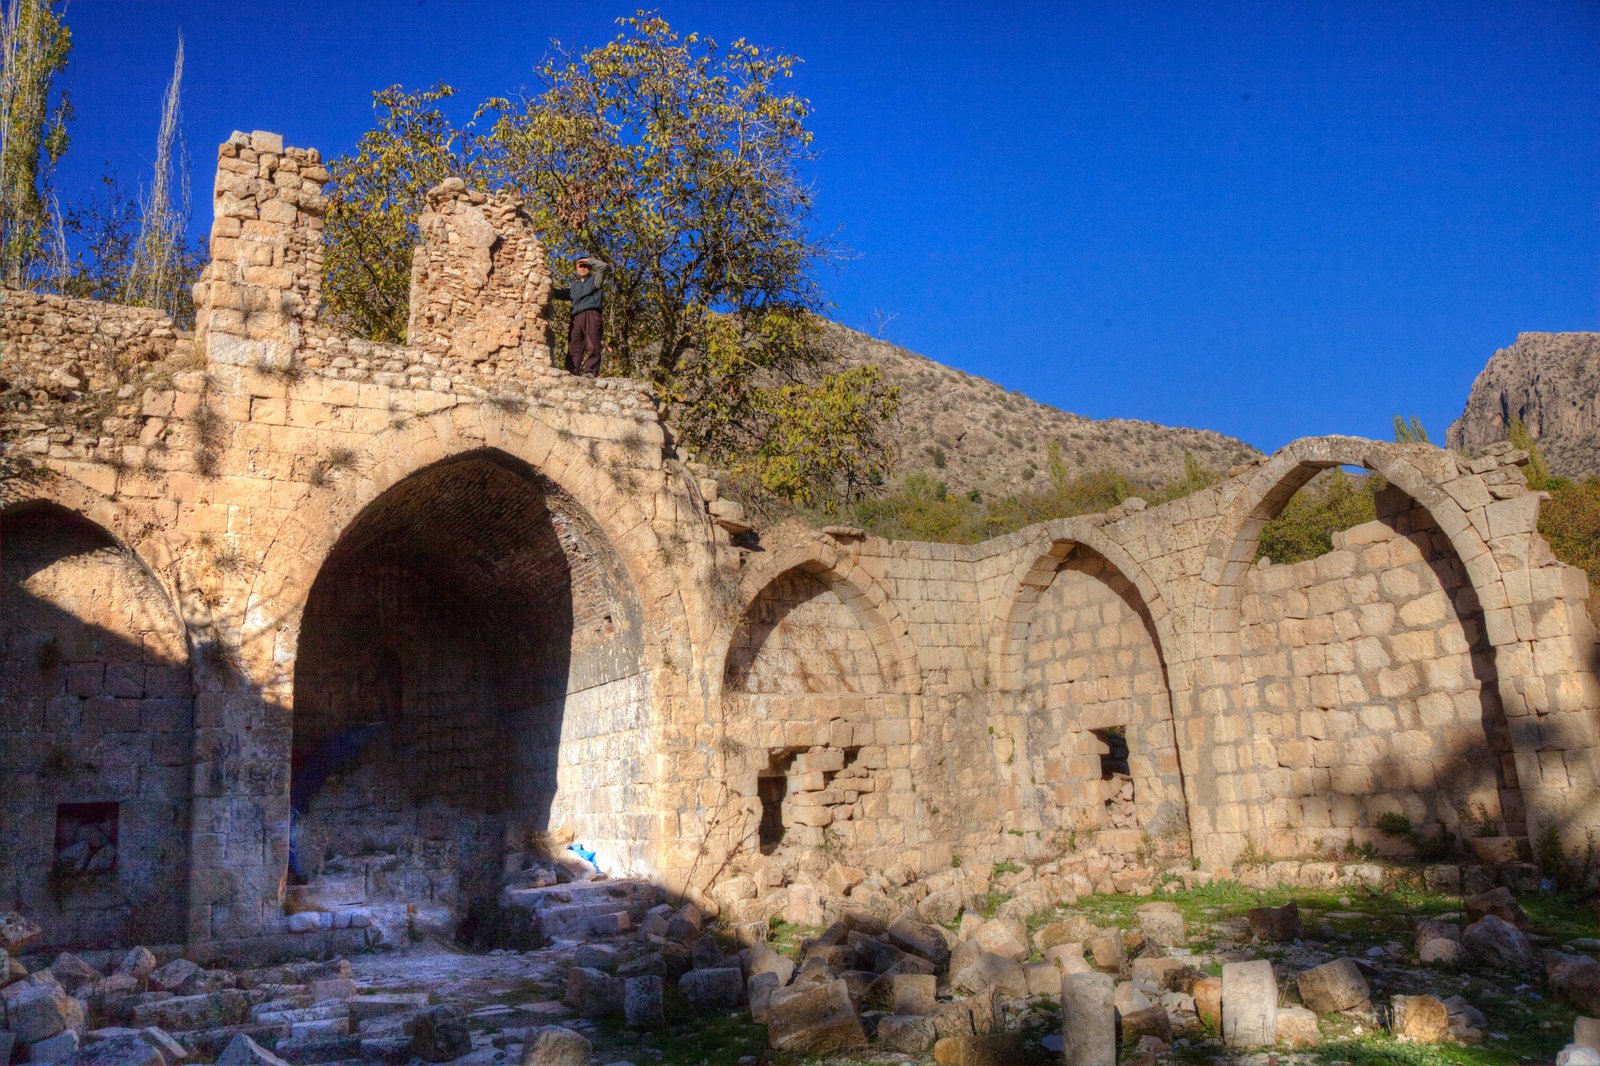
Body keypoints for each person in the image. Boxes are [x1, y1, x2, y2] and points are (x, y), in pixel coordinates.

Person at [552, 252, 608, 377]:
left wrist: (589, 260)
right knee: (574, 346)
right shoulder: (574, 287)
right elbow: (557, 293)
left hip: (592, 314)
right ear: (576, 269)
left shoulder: (595, 280)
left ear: (590, 267)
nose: (583, 268)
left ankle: (590, 372)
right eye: (580, 266)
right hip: (576, 317)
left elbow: (603, 266)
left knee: (593, 344)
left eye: (585, 266)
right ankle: (570, 372)